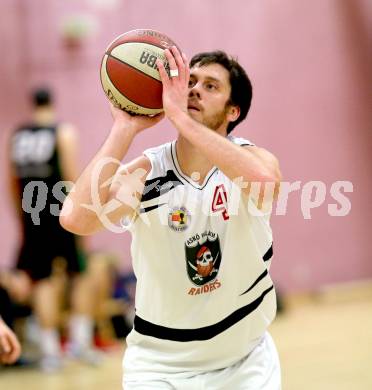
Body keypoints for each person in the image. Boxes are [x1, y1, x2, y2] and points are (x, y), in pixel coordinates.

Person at [61, 47, 282, 389]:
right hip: (161, 365)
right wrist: (124, 128)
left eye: (211, 86)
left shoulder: (251, 159)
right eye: (190, 81)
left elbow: (266, 187)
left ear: (233, 110)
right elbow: (75, 219)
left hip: (245, 360)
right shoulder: (148, 172)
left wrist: (180, 119)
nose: (194, 89)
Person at [8, 87, 100, 371]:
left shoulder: (17, 136)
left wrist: (23, 221)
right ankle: (80, 344)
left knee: (42, 281)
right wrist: (83, 218)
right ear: (53, 102)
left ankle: (50, 352)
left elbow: (12, 183)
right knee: (82, 274)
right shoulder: (63, 132)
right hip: (61, 215)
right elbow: (71, 179)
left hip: (32, 218)